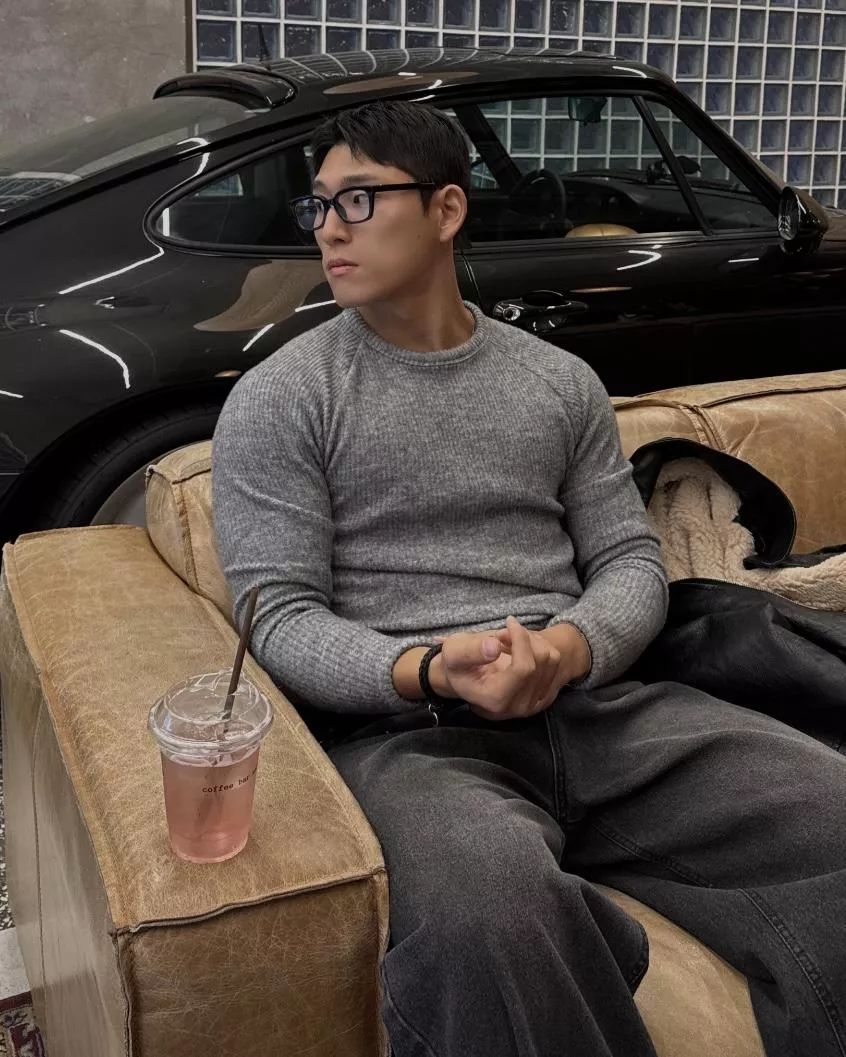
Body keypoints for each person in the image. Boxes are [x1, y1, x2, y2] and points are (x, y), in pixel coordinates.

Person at [212, 100, 846, 1057]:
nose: (329, 229)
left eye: (359, 199)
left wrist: (569, 647)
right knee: (490, 914)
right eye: (320, 205)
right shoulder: (283, 397)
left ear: (447, 209)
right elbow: (276, 616)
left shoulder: (557, 381)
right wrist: (428, 667)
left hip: (600, 710)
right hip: (412, 737)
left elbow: (629, 560)